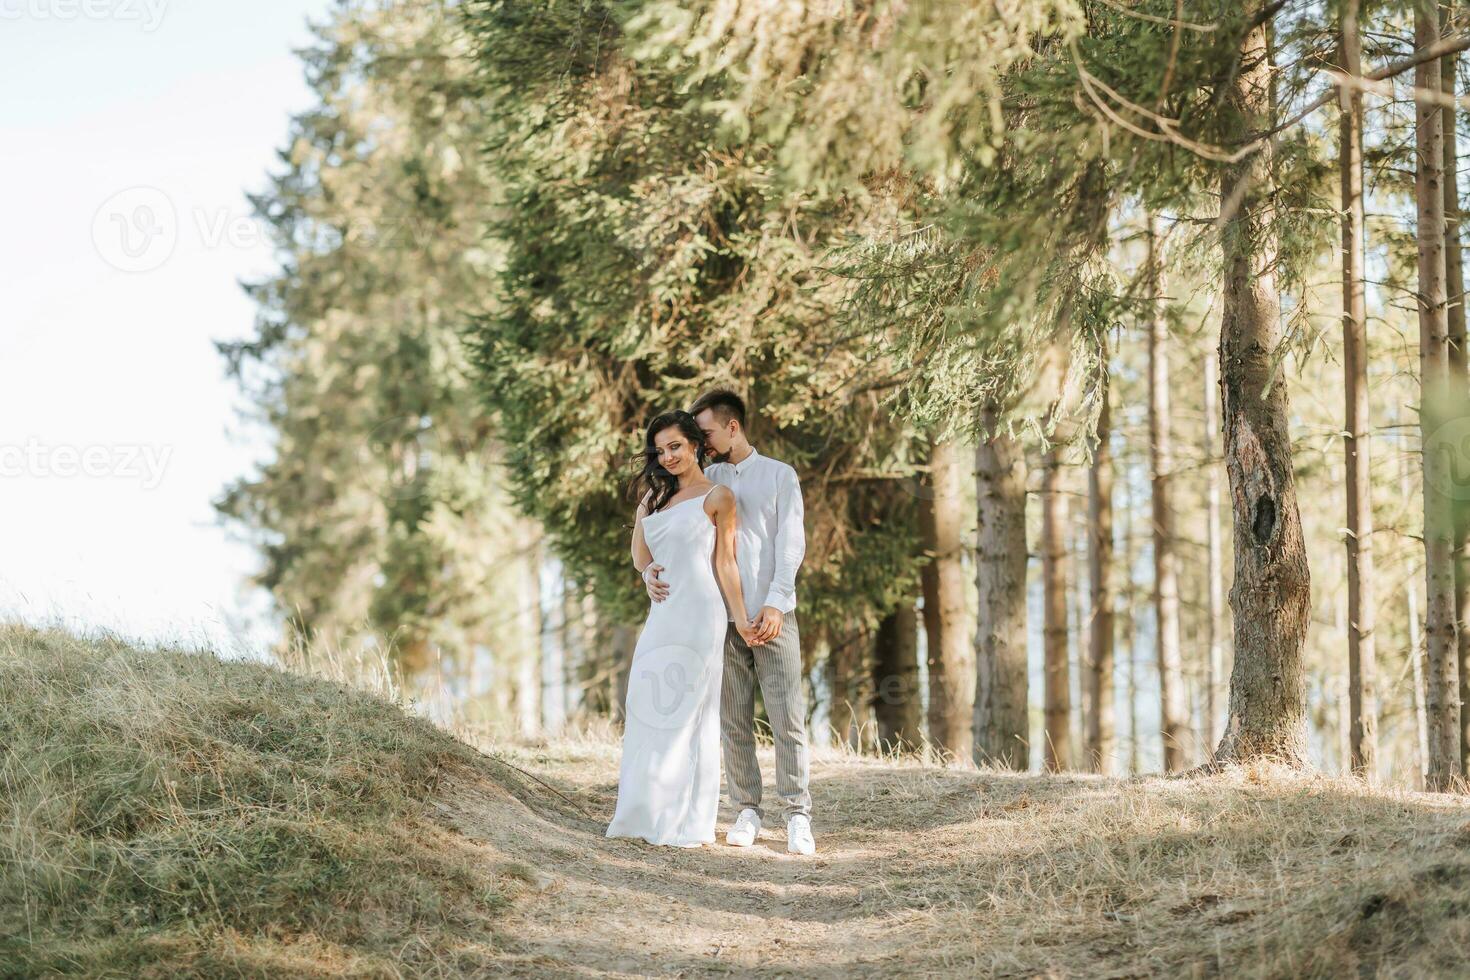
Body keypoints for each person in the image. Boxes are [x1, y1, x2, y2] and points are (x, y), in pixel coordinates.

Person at [644, 389, 815, 856]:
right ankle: (746, 810)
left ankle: (797, 814)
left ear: (732, 427)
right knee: (733, 718)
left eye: (708, 432)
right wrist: (649, 573)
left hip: (771, 614)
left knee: (786, 718)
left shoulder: (780, 475)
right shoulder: (703, 479)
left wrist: (777, 603)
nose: (703, 442)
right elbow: (665, 535)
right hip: (717, 617)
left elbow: (790, 544)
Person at [606, 411, 757, 848]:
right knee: (646, 700)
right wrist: (648, 572)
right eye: (660, 450)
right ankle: (640, 811)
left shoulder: (718, 497)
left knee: (688, 708)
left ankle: (682, 821)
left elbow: (725, 563)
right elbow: (641, 556)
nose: (668, 456)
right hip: (664, 614)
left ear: (695, 444)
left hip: (700, 613)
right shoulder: (653, 499)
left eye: (675, 446)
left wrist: (742, 618)